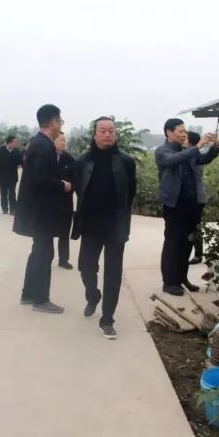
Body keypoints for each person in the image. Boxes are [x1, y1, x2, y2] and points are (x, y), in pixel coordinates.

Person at [72, 117, 136, 339]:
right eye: (103, 131)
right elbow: (78, 190)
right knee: (85, 268)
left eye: (111, 131)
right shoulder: (83, 161)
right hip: (90, 225)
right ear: (95, 134)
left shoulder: (126, 162)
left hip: (115, 226)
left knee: (113, 274)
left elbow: (131, 192)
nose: (108, 134)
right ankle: (92, 295)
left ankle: (107, 319)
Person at [14, 104, 70, 314]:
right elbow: (40, 180)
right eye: (60, 121)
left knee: (38, 251)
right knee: (44, 253)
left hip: (39, 210)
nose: (60, 125)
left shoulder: (39, 143)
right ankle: (41, 299)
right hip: (41, 211)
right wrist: (62, 184)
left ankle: (28, 294)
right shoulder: (43, 146)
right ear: (53, 121)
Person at [156, 119, 219, 297]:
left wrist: (214, 147)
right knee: (173, 243)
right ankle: (169, 282)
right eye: (180, 131)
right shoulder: (162, 151)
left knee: (187, 242)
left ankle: (181, 278)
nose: (184, 134)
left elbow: (203, 159)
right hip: (174, 205)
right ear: (169, 132)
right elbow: (173, 160)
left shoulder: (187, 151)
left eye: (185, 131)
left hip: (192, 204)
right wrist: (196, 146)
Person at [186, 131, 208, 265]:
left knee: (195, 226)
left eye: (185, 139)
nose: (183, 140)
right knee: (194, 225)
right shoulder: (193, 154)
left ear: (190, 143)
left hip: (197, 197)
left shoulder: (194, 156)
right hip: (198, 195)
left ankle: (198, 254)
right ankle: (197, 253)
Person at [54, 132, 75, 269]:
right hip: (49, 203)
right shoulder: (47, 158)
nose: (64, 142)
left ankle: (63, 259)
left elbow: (75, 178)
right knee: (46, 233)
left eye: (64, 140)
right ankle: (45, 257)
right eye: (61, 140)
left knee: (64, 232)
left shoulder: (69, 159)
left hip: (65, 201)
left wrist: (71, 186)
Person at [0, 135, 24, 214]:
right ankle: (4, 208)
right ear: (9, 142)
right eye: (15, 141)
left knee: (12, 193)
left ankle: (13, 209)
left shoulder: (17, 151)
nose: (16, 143)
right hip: (2, 176)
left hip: (12, 176)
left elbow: (22, 162)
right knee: (3, 193)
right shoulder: (0, 150)